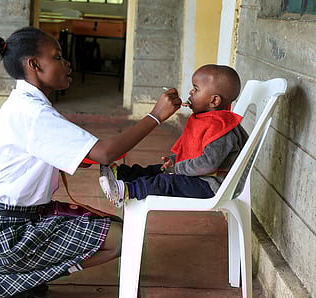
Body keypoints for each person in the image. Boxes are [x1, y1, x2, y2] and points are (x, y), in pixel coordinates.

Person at [0, 26, 181, 298]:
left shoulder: (24, 104)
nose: (67, 64)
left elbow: (79, 152)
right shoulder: (34, 114)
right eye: (58, 57)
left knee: (108, 225)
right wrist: (155, 116)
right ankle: (9, 283)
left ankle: (16, 277)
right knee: (118, 238)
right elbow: (103, 151)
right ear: (34, 65)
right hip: (5, 234)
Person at [99, 64, 248, 207]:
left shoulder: (222, 130)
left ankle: (127, 191)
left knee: (166, 182)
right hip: (202, 177)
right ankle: (122, 174)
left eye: (196, 89)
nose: (190, 92)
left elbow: (208, 163)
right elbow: (197, 153)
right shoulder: (208, 120)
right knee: (160, 169)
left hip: (212, 185)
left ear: (214, 100)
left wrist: (178, 168)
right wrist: (174, 161)